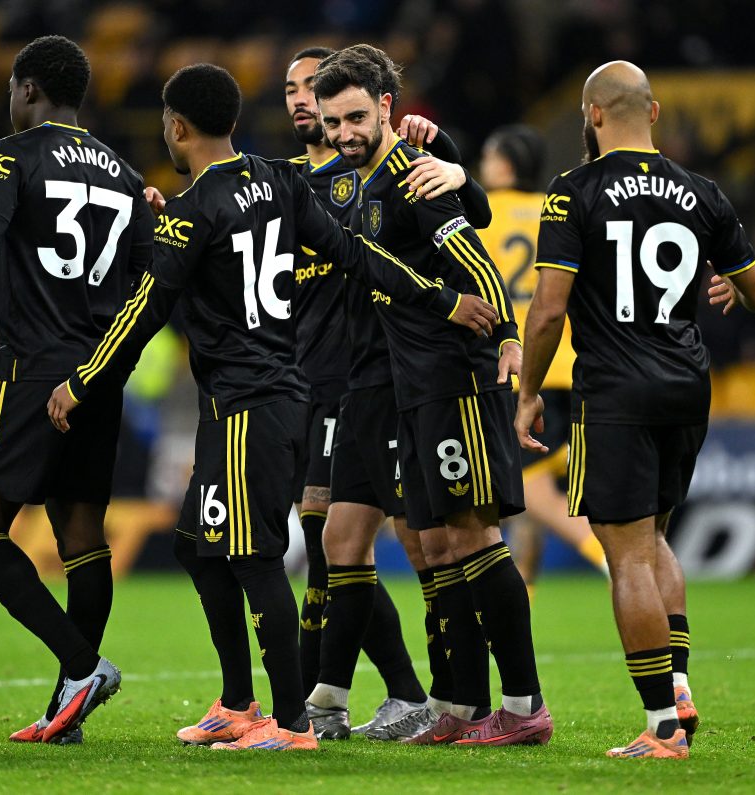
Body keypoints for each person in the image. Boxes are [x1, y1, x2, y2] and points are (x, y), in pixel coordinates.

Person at [46, 63, 498, 752]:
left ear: (176, 128)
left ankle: (290, 723)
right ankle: (237, 701)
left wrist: (83, 380)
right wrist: (443, 297)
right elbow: (357, 252)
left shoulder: (197, 209)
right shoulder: (279, 182)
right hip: (274, 394)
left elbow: (142, 310)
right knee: (196, 546)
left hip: (248, 401)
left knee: (254, 557)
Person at [515, 60, 755, 759]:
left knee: (626, 551)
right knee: (654, 537)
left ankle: (662, 724)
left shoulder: (574, 191)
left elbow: (547, 310)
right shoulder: (702, 192)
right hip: (688, 385)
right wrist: (733, 284)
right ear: (654, 112)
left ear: (593, 115)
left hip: (617, 388)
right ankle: (680, 685)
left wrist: (529, 390)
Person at [0, 35, 156, 744]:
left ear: (28, 90)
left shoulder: (9, 156)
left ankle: (80, 667)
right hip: (98, 376)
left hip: (29, 372)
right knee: (82, 536)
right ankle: (65, 707)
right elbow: (151, 278)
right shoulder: (125, 173)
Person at [314, 44, 553, 747]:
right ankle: (459, 700)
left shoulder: (414, 175)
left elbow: (473, 254)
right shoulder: (359, 183)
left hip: (453, 377)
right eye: (334, 121)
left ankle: (523, 701)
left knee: (475, 533)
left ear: (387, 108)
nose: (345, 132)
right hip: (410, 384)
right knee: (436, 538)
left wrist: (508, 333)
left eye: (356, 116)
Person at [285, 46, 492, 739]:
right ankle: (330, 700)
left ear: (380, 107)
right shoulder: (316, 180)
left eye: (331, 104)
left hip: (404, 376)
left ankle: (457, 697)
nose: (307, 108)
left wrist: (457, 161)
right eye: (299, 94)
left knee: (435, 542)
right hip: (351, 382)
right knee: (341, 537)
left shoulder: (401, 167)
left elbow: (473, 227)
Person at [477, 125, 608, 592]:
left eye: (489, 155)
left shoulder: (480, 214)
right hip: (565, 362)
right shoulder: (558, 211)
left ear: (506, 164)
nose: (482, 163)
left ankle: (600, 550)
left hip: (514, 368)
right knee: (520, 497)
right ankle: (522, 600)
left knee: (527, 490)